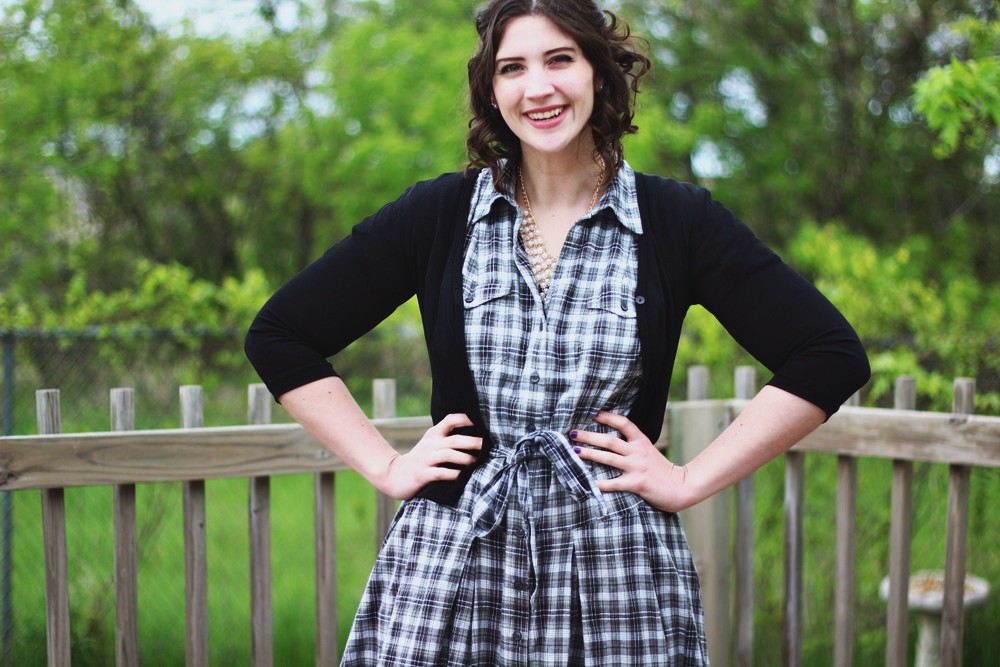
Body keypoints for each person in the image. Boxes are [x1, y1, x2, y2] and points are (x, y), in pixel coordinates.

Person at [244, 0, 871, 664]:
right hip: (455, 565)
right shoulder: (438, 215)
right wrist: (387, 465)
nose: (537, 87)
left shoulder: (676, 221)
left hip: (615, 573)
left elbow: (828, 354)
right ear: (491, 88)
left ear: (598, 72)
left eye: (559, 59)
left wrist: (689, 479)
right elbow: (281, 333)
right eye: (512, 67)